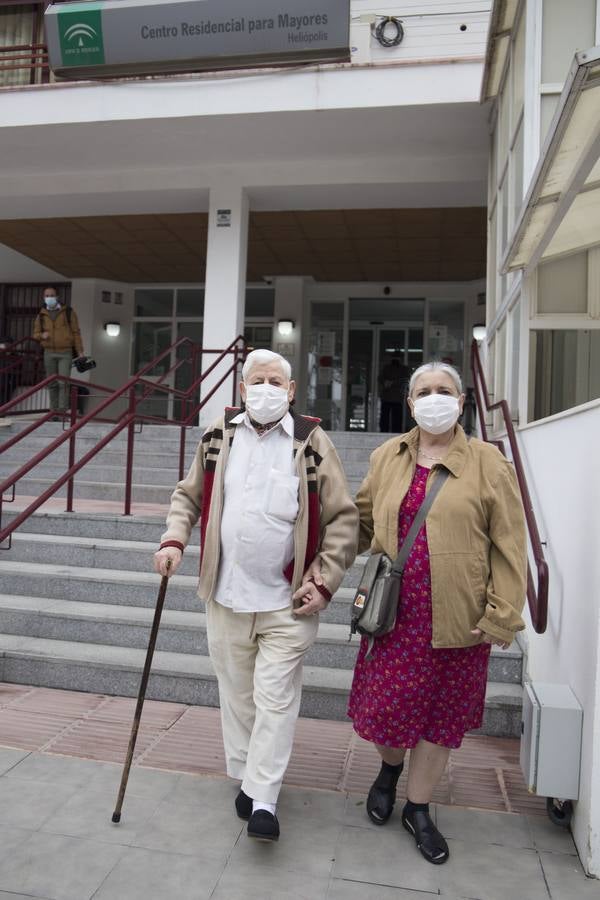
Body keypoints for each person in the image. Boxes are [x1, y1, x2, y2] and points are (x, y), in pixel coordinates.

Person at [154, 349, 358, 842]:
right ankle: (249, 778)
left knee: (276, 699)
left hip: (287, 602)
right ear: (243, 389)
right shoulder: (217, 436)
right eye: (256, 380)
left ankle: (264, 798)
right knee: (238, 696)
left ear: (290, 391)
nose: (265, 388)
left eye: (275, 381)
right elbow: (188, 497)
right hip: (226, 596)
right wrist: (173, 539)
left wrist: (324, 579)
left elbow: (344, 519)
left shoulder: (311, 443)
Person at [347, 360, 527, 865]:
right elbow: (359, 523)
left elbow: (510, 547)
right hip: (394, 616)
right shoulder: (388, 456)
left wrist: (501, 614)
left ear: (462, 401)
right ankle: (388, 769)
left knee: (439, 721)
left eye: (443, 390)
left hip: (459, 620)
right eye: (423, 391)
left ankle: (418, 807)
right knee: (387, 714)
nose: (433, 398)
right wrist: (317, 561)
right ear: (409, 403)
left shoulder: (489, 463)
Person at [32, 287, 84, 414]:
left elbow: (76, 332)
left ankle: (61, 410)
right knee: (52, 383)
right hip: (49, 352)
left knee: (63, 382)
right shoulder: (41, 315)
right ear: (44, 298)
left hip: (65, 352)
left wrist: (80, 351)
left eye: (52, 295)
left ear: (57, 297)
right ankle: (53, 410)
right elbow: (35, 334)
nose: (49, 298)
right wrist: (41, 336)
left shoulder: (68, 312)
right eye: (47, 295)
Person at [378, 357, 410, 433]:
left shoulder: (402, 369)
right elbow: (380, 378)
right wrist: (386, 382)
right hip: (391, 397)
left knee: (394, 417)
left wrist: (391, 383)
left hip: (395, 397)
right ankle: (387, 431)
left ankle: (390, 431)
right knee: (388, 417)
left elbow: (405, 379)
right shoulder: (387, 368)